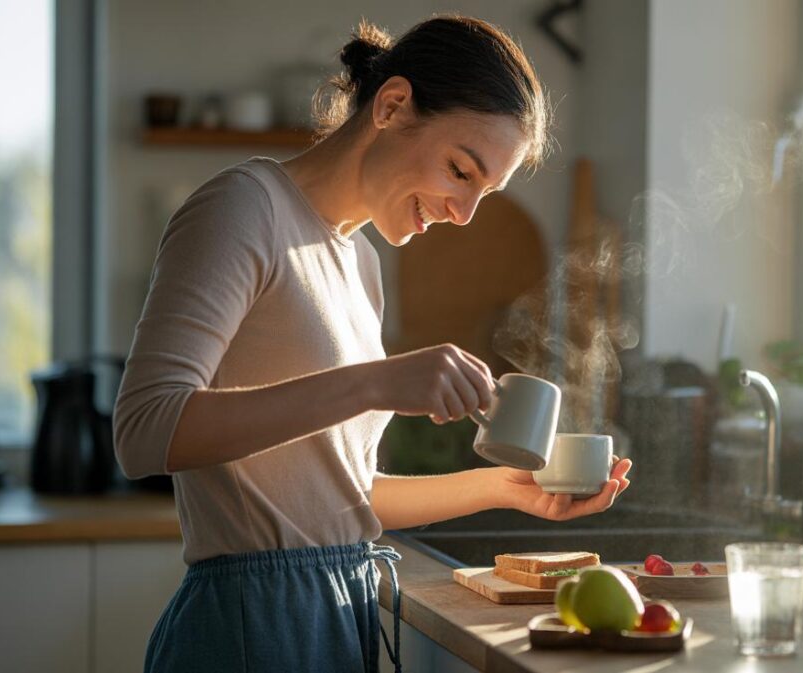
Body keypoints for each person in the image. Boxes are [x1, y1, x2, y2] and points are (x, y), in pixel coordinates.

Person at [114, 15, 633, 673]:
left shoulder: (360, 263)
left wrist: (507, 486)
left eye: (484, 192)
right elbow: (143, 431)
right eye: (459, 170)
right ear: (391, 105)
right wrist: (373, 383)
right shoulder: (243, 209)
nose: (464, 213)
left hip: (338, 607)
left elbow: (343, 497)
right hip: (249, 624)